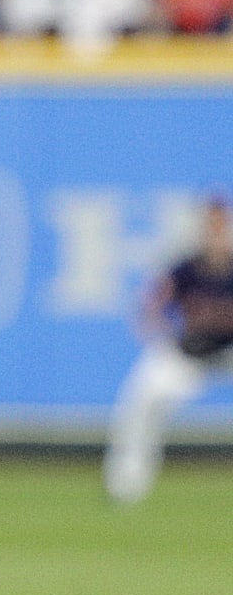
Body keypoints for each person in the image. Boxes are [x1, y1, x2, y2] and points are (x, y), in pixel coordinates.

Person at [104, 195, 233, 504]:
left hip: (229, 354)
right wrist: (158, 332)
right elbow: (150, 304)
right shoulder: (186, 268)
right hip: (189, 354)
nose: (215, 229)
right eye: (210, 223)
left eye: (220, 222)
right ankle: (126, 484)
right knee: (142, 399)